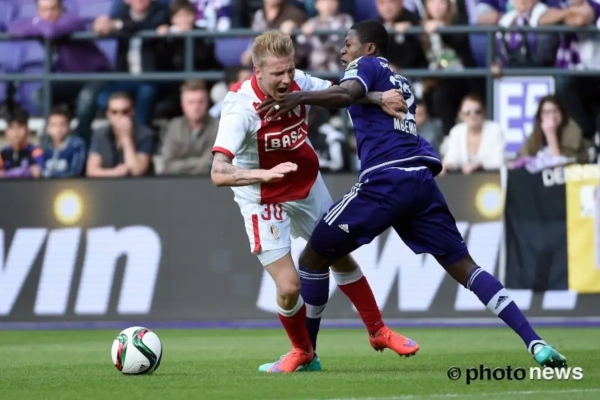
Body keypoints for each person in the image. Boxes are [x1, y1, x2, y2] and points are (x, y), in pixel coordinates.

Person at [257, 19, 567, 371]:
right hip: (420, 183)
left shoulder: (365, 65)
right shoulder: (401, 82)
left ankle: (307, 355)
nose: (343, 50)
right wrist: (367, 96)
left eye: (349, 44)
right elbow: (357, 97)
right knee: (466, 267)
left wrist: (297, 97)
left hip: (385, 182)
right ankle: (535, 342)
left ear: (369, 48)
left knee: (313, 259)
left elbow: (346, 95)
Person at [210, 30, 412, 373]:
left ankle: (378, 330)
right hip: (263, 197)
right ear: (258, 72)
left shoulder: (299, 82)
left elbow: (341, 94)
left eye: (289, 70)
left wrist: (379, 98)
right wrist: (263, 174)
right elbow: (218, 171)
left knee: (339, 256)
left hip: (306, 186)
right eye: (278, 73)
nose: (286, 79)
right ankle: (303, 351)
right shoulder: (240, 109)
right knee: (289, 287)